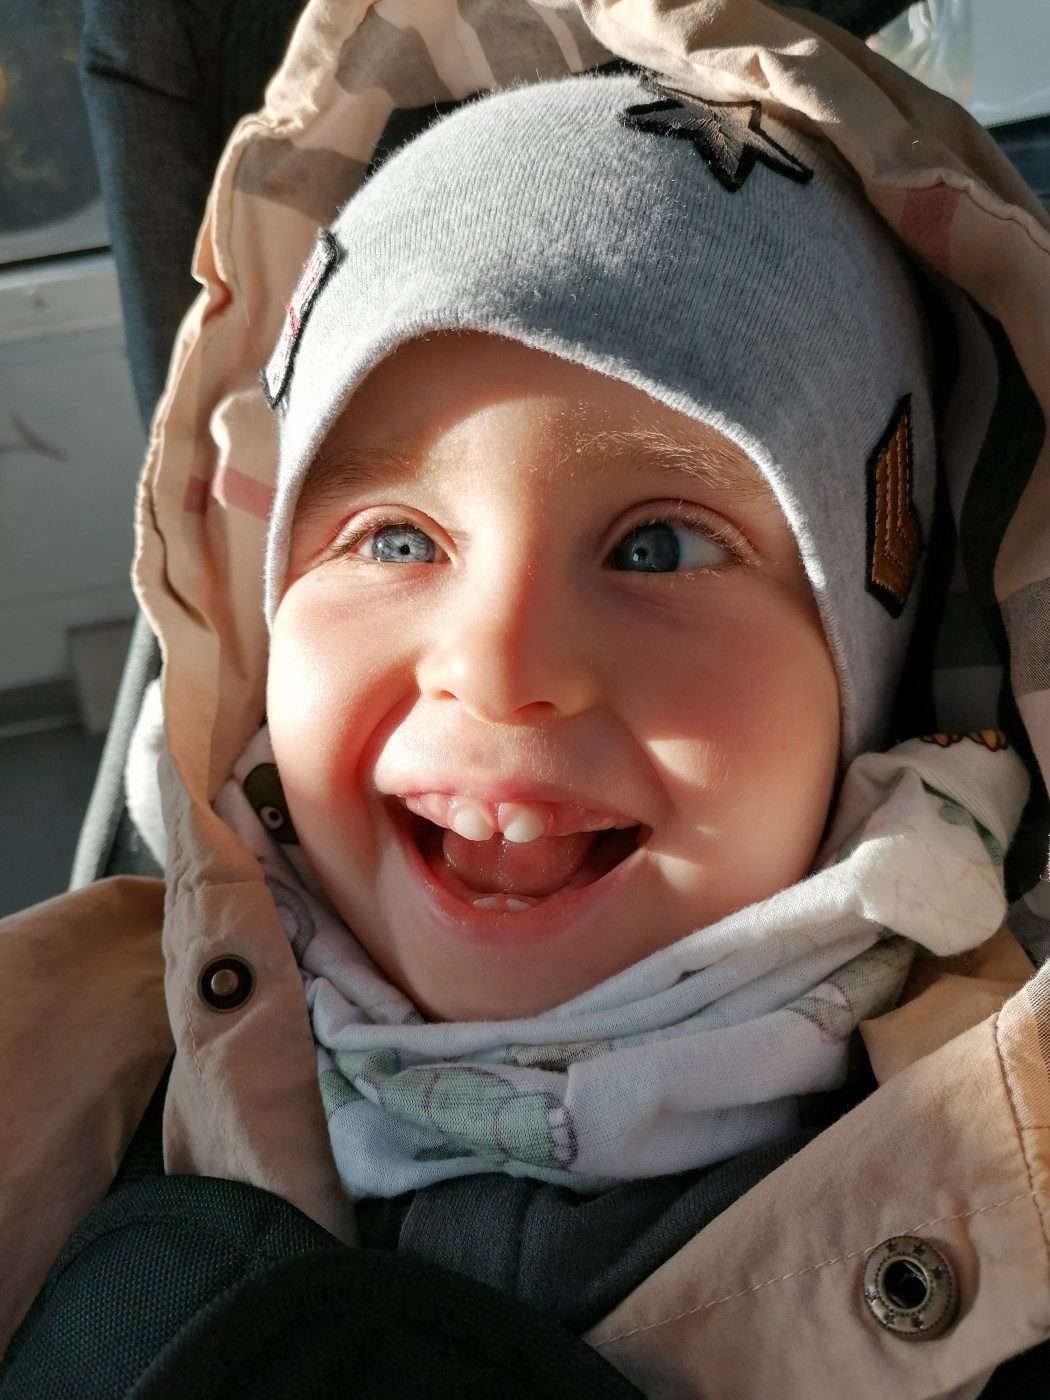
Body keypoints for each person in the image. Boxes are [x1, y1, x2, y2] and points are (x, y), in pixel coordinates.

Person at [3, 5, 1050, 1395]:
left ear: (861, 681)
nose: (496, 667)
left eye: (657, 547)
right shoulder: (62, 1063)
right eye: (393, 540)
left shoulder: (1015, 1149)